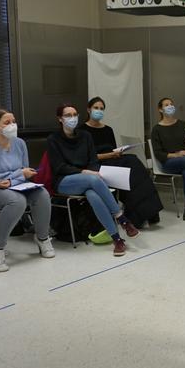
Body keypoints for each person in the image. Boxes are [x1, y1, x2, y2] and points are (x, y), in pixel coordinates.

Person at [0, 108, 55, 272]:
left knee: (42, 194)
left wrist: (13, 177)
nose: (12, 125)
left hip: (12, 187)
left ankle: (42, 238)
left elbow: (25, 173)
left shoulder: (19, 143)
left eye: (13, 121)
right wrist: (18, 174)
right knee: (17, 200)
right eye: (7, 122)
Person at [47, 104, 139, 257]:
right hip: (64, 181)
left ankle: (117, 239)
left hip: (88, 179)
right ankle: (121, 218)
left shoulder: (85, 136)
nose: (73, 118)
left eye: (75, 114)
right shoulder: (53, 139)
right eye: (68, 115)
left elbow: (93, 160)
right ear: (60, 119)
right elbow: (59, 166)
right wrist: (84, 172)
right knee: (92, 180)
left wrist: (92, 171)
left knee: (93, 194)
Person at [79, 96, 163, 226]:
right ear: (89, 110)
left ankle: (146, 211)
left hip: (112, 161)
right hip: (97, 165)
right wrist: (109, 155)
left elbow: (113, 149)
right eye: (96, 108)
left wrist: (117, 153)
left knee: (134, 162)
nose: (99, 110)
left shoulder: (108, 129)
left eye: (102, 108)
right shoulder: (82, 131)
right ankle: (138, 214)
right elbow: (87, 157)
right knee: (131, 165)